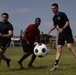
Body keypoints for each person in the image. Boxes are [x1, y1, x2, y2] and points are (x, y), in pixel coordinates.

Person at [48, 3, 76, 71]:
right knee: (59, 48)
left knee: (69, 46)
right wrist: (50, 30)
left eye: (54, 8)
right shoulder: (54, 18)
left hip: (67, 32)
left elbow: (67, 22)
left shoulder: (62, 14)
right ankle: (56, 64)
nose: (53, 10)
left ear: (57, 8)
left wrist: (63, 28)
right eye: (52, 9)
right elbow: (55, 25)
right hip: (61, 34)